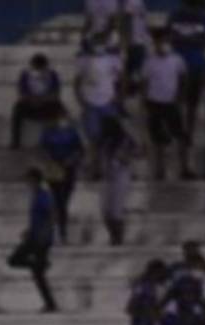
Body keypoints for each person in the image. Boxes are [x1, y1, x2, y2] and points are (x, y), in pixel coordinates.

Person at [141, 31, 192, 181]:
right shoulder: (149, 62)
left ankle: (184, 168)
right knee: (158, 139)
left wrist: (180, 98)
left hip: (172, 103)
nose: (163, 46)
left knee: (180, 136)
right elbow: (144, 84)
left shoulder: (177, 60)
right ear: (155, 44)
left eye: (166, 42)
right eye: (160, 42)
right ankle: (159, 170)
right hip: (154, 103)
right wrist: (144, 103)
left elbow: (184, 78)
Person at [8, 167, 59, 313]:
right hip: (35, 236)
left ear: (35, 180)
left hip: (41, 239)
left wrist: (45, 234)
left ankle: (50, 304)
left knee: (36, 273)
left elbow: (51, 215)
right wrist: (29, 231)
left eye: (29, 180)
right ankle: (41, 265)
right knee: (15, 261)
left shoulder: (43, 195)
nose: (27, 184)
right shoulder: (37, 195)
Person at [75, 34, 122, 175]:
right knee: (93, 138)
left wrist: (118, 97)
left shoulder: (113, 59)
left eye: (101, 42)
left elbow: (120, 80)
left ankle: (109, 166)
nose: (98, 45)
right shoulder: (83, 60)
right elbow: (77, 81)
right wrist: (81, 100)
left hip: (108, 102)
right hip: (90, 103)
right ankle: (95, 168)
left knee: (110, 138)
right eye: (96, 42)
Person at [167, 0, 205, 136]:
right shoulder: (176, 15)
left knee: (189, 101)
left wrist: (184, 39)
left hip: (193, 65)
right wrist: (193, 40)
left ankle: (187, 130)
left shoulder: (202, 17)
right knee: (183, 101)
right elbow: (171, 37)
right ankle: (183, 130)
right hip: (182, 65)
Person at [39, 109, 84, 244]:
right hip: (54, 170)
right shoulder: (48, 133)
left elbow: (80, 150)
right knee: (57, 201)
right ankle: (56, 232)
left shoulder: (72, 133)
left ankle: (61, 232)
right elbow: (42, 150)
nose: (63, 120)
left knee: (63, 202)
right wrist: (51, 161)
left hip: (69, 169)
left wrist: (71, 159)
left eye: (65, 117)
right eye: (60, 117)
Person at [99, 115, 140, 245]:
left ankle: (118, 238)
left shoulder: (125, 140)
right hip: (108, 177)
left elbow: (138, 152)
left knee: (116, 210)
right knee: (105, 211)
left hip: (120, 176)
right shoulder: (105, 141)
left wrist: (125, 156)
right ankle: (113, 235)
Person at [11, 53, 62, 150]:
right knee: (17, 108)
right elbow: (22, 93)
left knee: (58, 108)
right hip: (30, 104)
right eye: (36, 67)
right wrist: (32, 100)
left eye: (40, 67)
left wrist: (43, 99)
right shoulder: (25, 74)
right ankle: (15, 141)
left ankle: (53, 139)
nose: (38, 70)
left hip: (47, 104)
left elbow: (56, 94)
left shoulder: (52, 75)